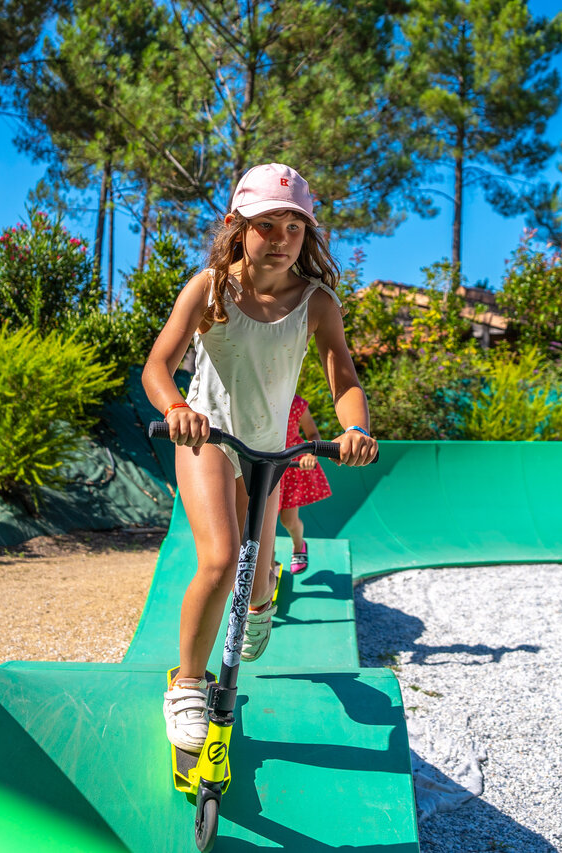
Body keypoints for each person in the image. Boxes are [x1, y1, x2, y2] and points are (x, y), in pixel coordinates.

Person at [141, 163, 378, 751]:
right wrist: (176, 409)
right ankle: (188, 687)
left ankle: (264, 597)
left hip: (269, 453)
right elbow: (157, 366)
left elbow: (341, 374)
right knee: (222, 562)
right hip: (210, 443)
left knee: (257, 580)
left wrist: (355, 427)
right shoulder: (210, 288)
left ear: (309, 236)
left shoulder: (318, 302)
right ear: (235, 225)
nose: (280, 240)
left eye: (294, 228)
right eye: (266, 225)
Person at [278, 394, 332, 574]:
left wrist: (310, 454)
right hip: (267, 463)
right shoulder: (255, 399)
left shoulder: (296, 403)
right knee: (263, 524)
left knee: (288, 520)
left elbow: (313, 434)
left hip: (291, 466)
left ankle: (299, 544)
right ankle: (268, 566)